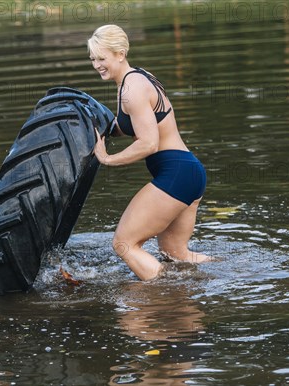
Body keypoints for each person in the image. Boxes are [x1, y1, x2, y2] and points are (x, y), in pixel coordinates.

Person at [88, 24, 209, 281]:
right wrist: (105, 130)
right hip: (189, 172)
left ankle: (164, 295)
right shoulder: (139, 77)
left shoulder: (131, 91)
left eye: (102, 58)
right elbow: (133, 124)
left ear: (120, 53)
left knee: (124, 244)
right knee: (175, 253)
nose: (97, 65)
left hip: (175, 174)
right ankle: (234, 272)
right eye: (93, 59)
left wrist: (107, 158)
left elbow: (148, 143)